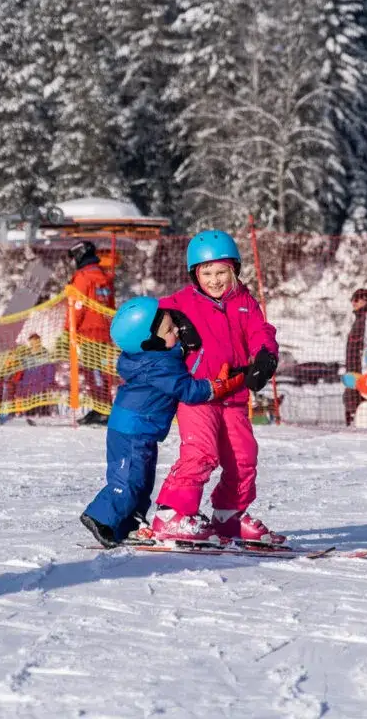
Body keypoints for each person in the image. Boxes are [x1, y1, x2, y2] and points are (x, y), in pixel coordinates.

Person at [150, 229, 283, 544]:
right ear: (194, 275)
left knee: (244, 457)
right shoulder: (181, 302)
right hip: (199, 394)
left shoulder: (244, 301)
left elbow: (261, 332)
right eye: (206, 272)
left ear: (234, 269)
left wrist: (266, 357)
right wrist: (155, 331)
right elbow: (147, 317)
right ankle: (172, 514)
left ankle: (229, 515)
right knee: (201, 452)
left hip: (234, 395)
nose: (215, 279)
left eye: (221, 271)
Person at [80, 297, 245, 548]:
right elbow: (188, 390)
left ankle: (129, 523)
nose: (177, 330)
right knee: (128, 480)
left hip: (138, 428)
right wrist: (217, 387)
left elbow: (170, 359)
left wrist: (180, 344)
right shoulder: (157, 365)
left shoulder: (149, 357)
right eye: (169, 330)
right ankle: (100, 517)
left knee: (143, 480)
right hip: (133, 429)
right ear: (150, 342)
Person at [65, 239, 116, 426]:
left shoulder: (83, 277)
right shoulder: (105, 277)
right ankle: (104, 408)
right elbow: (110, 306)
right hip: (105, 331)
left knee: (90, 372)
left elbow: (76, 307)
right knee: (102, 373)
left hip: (87, 332)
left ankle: (101, 410)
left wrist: (68, 330)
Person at [343, 288, 367, 425]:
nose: (353, 303)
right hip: (353, 368)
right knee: (351, 398)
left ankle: (358, 420)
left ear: (364, 300)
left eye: (356, 300)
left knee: (358, 400)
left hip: (360, 370)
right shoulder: (359, 319)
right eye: (352, 300)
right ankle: (353, 419)